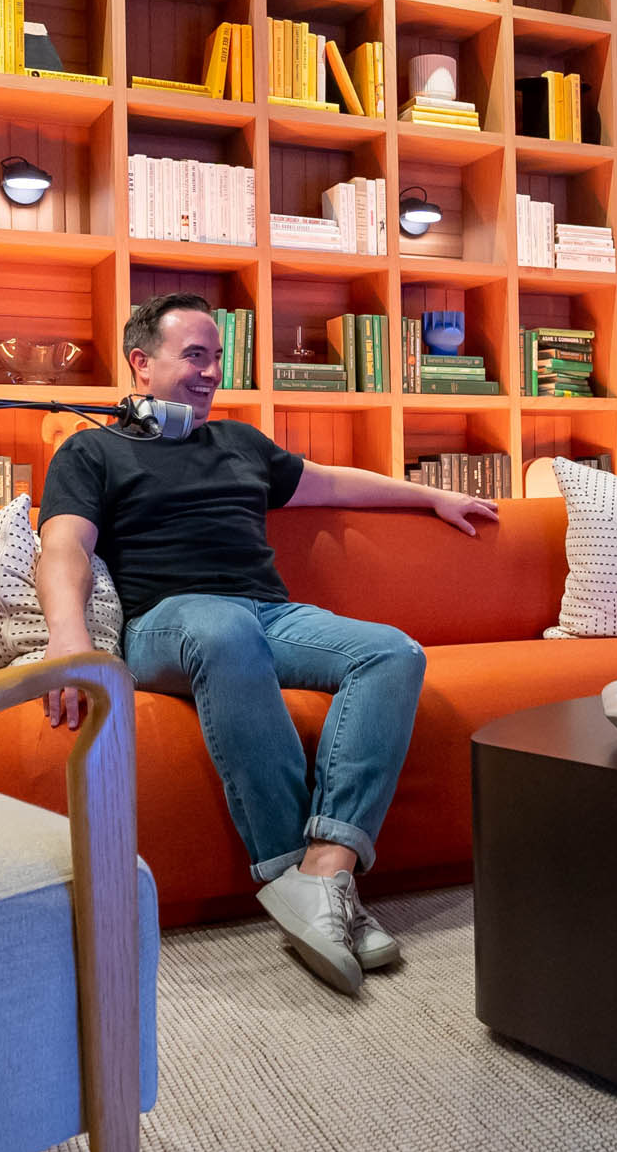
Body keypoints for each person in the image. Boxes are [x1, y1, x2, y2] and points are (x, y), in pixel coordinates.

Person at [35, 291, 498, 995]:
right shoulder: (94, 450)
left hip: (266, 615)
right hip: (171, 620)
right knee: (221, 627)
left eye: (217, 357)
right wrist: (68, 638)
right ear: (141, 363)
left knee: (392, 653)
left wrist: (427, 496)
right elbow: (63, 545)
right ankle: (291, 869)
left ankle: (326, 872)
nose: (210, 371)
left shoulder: (241, 443)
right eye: (194, 355)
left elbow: (331, 482)